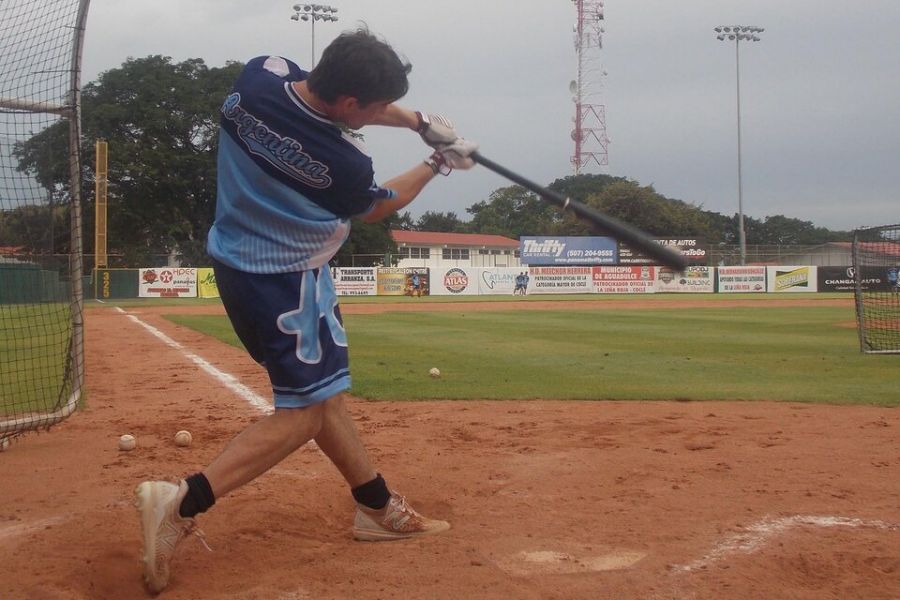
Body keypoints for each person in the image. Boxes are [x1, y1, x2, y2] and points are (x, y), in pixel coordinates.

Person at [133, 28, 477, 594]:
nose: (375, 116)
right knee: (304, 413)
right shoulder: (343, 162)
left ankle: (376, 506)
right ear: (350, 102)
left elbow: (331, 97)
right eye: (373, 109)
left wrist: (418, 121)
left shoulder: (259, 75)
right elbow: (377, 206)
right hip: (284, 281)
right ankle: (181, 502)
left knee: (324, 397)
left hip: (245, 261)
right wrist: (437, 161)